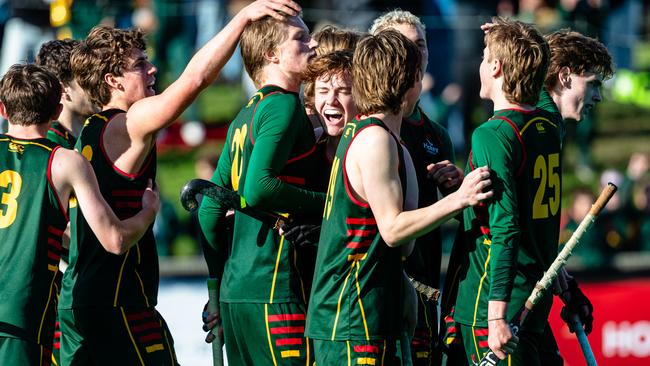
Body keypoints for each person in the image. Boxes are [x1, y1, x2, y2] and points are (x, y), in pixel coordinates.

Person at [57, 1, 301, 365]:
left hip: (82, 298)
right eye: (139, 64)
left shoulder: (87, 132)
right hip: (119, 301)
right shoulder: (129, 122)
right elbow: (195, 81)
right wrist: (244, 17)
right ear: (113, 81)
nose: (152, 68)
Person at [304, 29, 492, 365]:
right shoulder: (375, 139)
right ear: (411, 81)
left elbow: (403, 244)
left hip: (368, 313)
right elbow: (393, 231)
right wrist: (458, 199)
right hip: (350, 315)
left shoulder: (384, 137)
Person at [0, 63, 158, 366]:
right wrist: (148, 212)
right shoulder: (65, 162)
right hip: (22, 316)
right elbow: (114, 240)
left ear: (3, 109)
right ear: (58, 109)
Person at [197, 10, 326, 366]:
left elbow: (209, 208)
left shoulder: (243, 116)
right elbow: (259, 189)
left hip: (235, 294)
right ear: (272, 53)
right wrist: (328, 203)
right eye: (300, 38)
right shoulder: (283, 105)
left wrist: (216, 281)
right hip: (276, 287)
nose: (312, 43)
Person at [448, 17, 564, 365]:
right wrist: (516, 36)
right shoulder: (549, 124)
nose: (481, 65)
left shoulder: (492, 134)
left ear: (496, 67)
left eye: (486, 58)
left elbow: (506, 227)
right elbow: (537, 89)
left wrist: (495, 315)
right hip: (533, 299)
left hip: (496, 304)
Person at [370, 10, 462, 365]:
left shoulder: (437, 134)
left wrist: (454, 189)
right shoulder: (367, 125)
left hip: (424, 282)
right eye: (402, 45)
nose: (414, 54)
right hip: (376, 280)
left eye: (420, 45)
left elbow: (449, 212)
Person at [34, 37, 100, 366]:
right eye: (85, 78)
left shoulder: (87, 138)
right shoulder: (48, 148)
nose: (97, 84)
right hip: (56, 296)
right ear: (64, 89)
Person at [35, 39, 98, 150]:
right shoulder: (48, 145)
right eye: (87, 80)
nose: (98, 86)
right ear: (62, 89)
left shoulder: (95, 131)